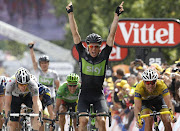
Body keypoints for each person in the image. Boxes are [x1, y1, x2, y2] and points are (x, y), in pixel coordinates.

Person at [66, 1, 124, 131]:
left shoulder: (104, 55)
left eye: (96, 47)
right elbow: (75, 33)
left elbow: (111, 35)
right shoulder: (82, 53)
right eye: (91, 47)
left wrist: (116, 16)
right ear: (87, 47)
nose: (93, 49)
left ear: (100, 48)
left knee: (101, 121)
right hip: (84, 95)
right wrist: (70, 14)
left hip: (98, 95)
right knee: (83, 120)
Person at [28, 42, 60, 106]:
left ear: (48, 64)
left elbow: (58, 87)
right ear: (40, 64)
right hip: (40, 96)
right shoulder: (38, 71)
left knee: (51, 114)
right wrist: (31, 49)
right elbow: (34, 61)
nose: (44, 65)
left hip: (51, 97)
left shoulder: (54, 73)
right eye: (42, 63)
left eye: (45, 63)